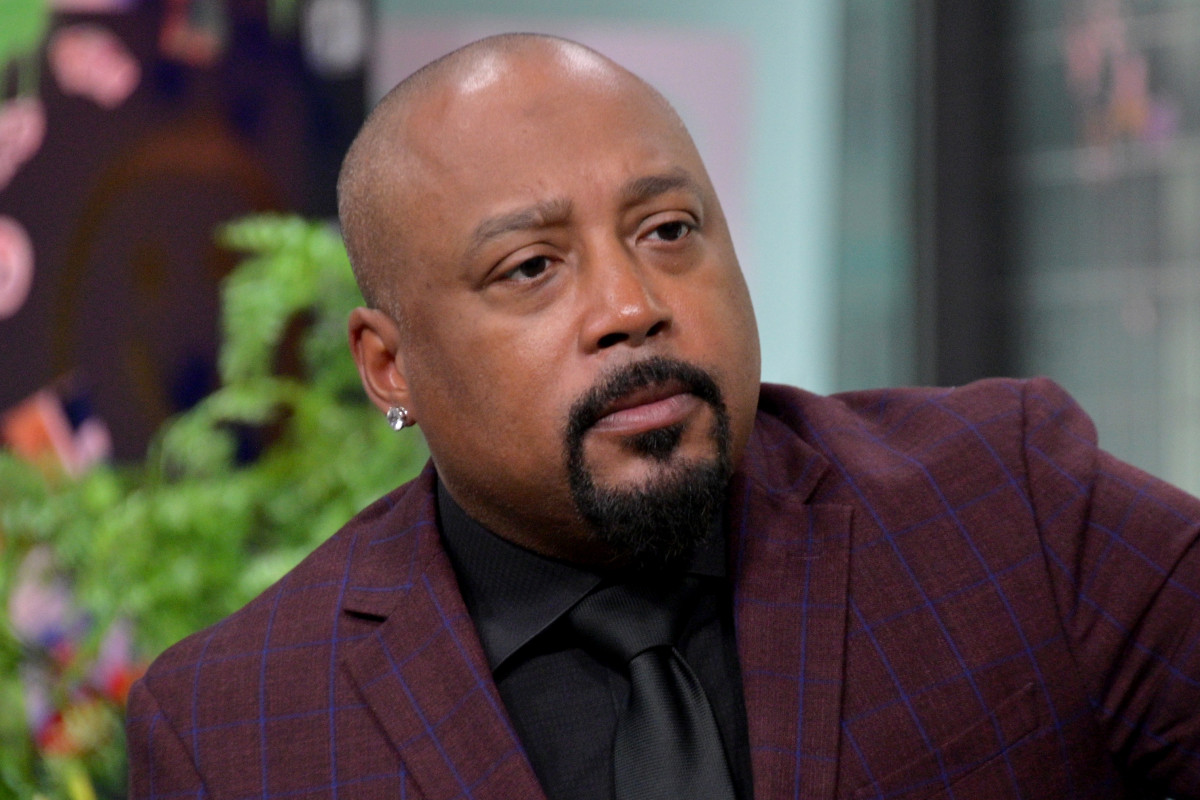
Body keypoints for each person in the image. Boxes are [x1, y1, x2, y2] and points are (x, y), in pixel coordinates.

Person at [125, 33, 1200, 800]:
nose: (632, 305)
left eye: (669, 230)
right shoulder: (234, 725)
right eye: (532, 266)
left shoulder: (1006, 500)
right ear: (390, 365)